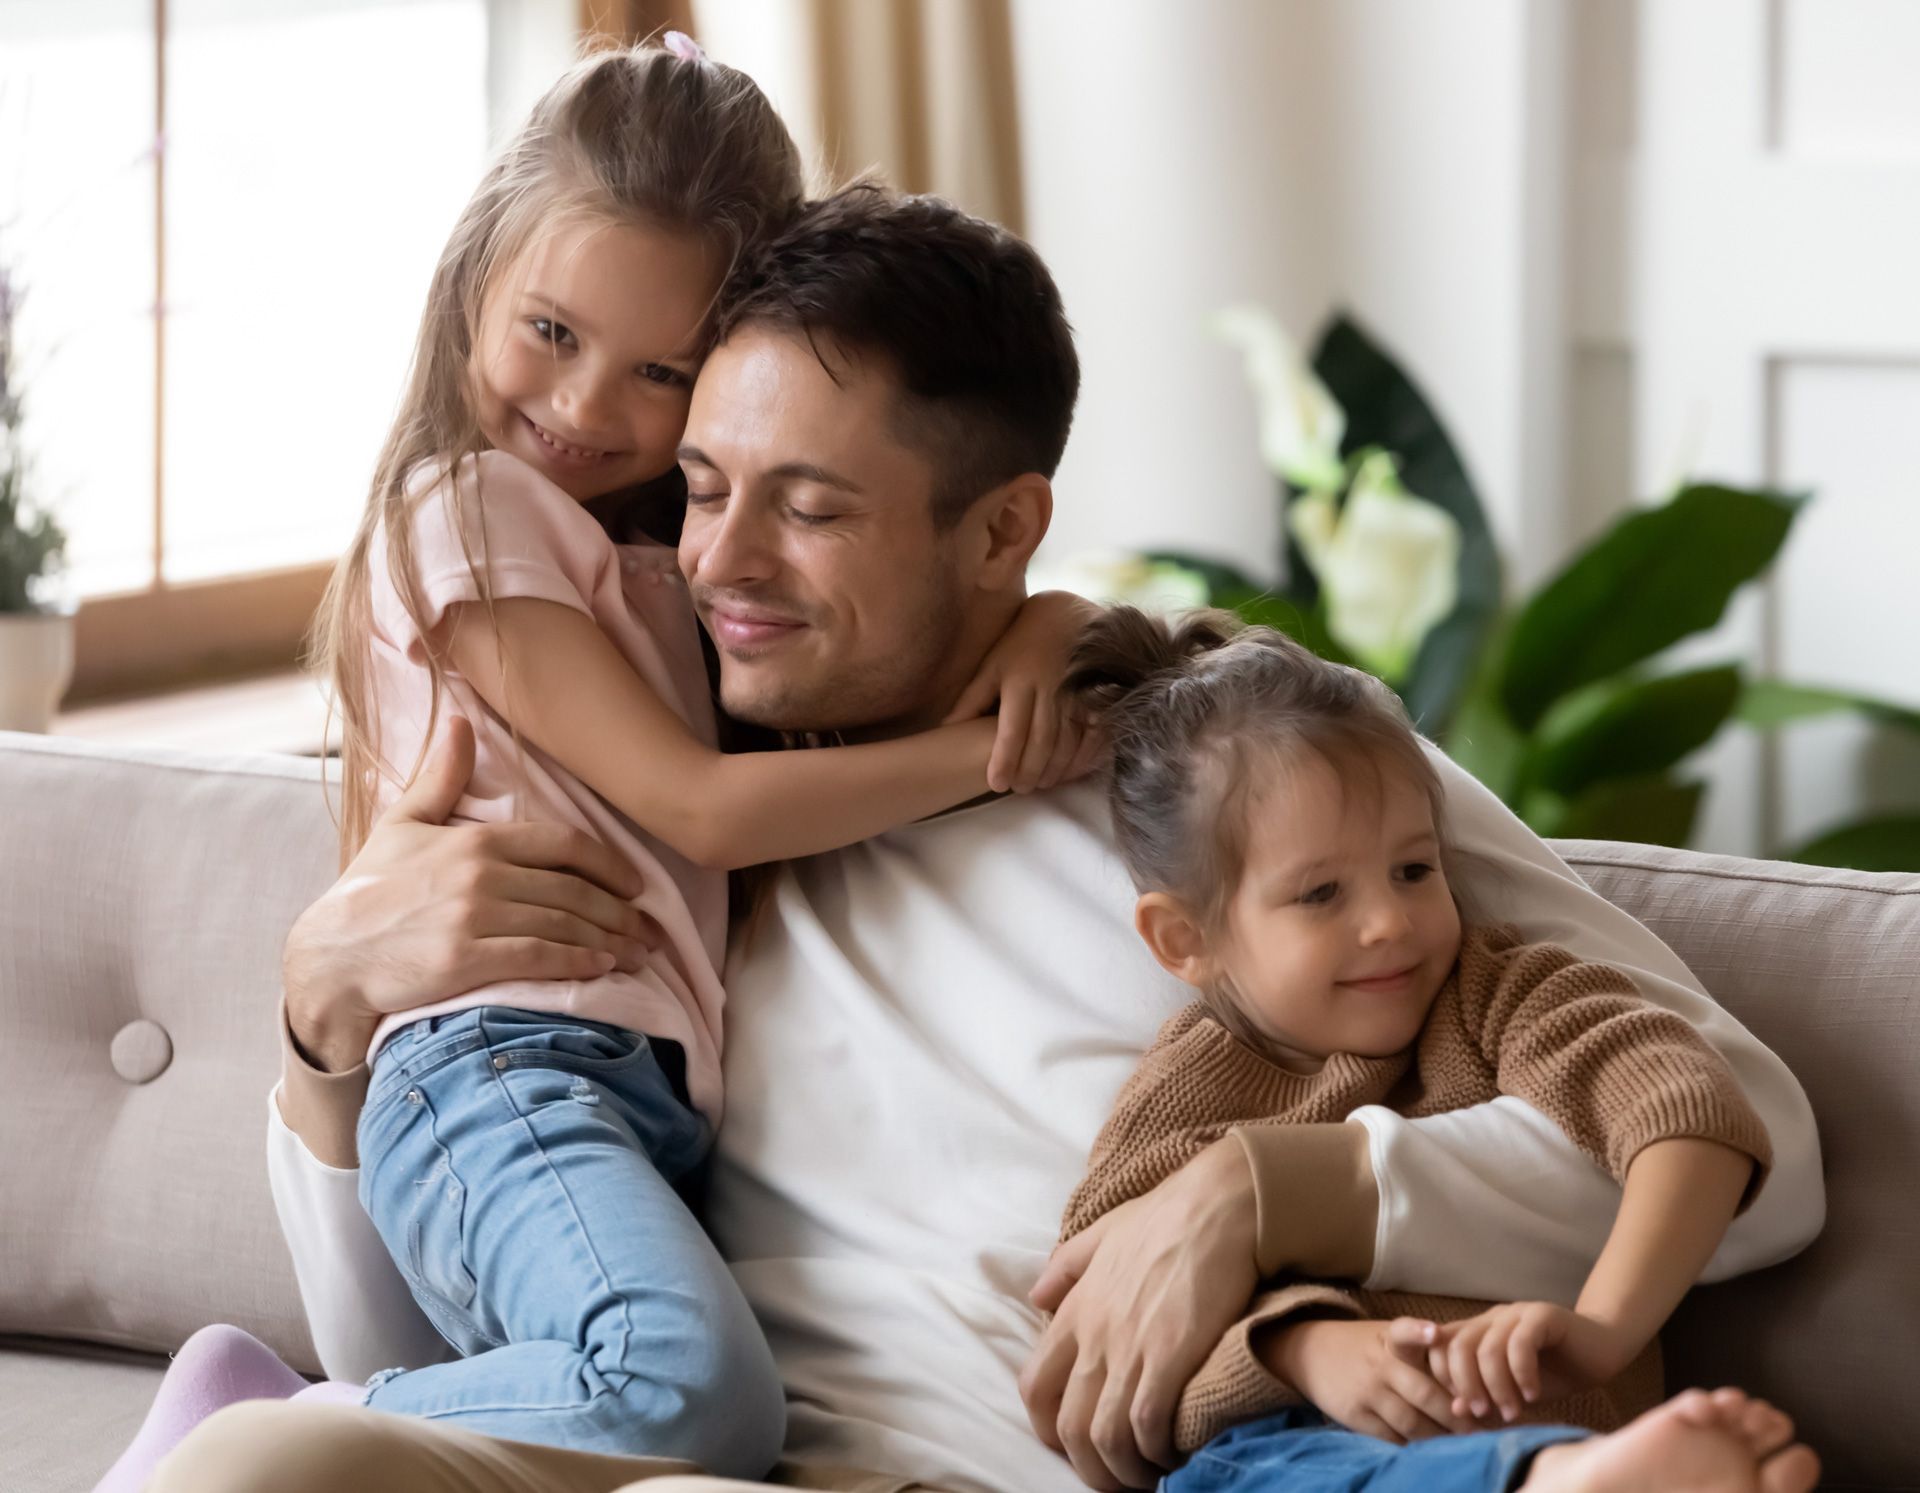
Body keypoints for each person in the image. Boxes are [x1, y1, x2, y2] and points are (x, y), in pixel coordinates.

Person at [153, 185, 1825, 1493]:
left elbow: (1758, 1143)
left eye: (808, 507)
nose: (724, 560)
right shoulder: (667, 805)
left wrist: (1267, 1189)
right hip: (669, 1445)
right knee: (266, 1456)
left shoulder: (1230, 757)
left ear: (1004, 528)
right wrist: (326, 1040)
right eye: (703, 487)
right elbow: (420, 1348)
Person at [98, 42, 1097, 1493]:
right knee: (680, 1388)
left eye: (660, 372)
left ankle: (329, 1416)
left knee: (651, 1391)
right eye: (551, 332)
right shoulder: (470, 512)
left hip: (620, 1080)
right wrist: (987, 760)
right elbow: (700, 806)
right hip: (507, 1064)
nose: (585, 409)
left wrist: (1059, 624)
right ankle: (294, 1420)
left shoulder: (660, 572)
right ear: (471, 292)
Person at [1054, 606, 1812, 1493]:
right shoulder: (1183, 1091)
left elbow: (1692, 1116)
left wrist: (1602, 1327)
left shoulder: (1509, 995)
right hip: (1291, 1454)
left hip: (1558, 1429)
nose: (1389, 922)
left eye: (1414, 870)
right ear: (1185, 939)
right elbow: (1113, 1330)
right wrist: (1305, 1348)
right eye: (1322, 893)